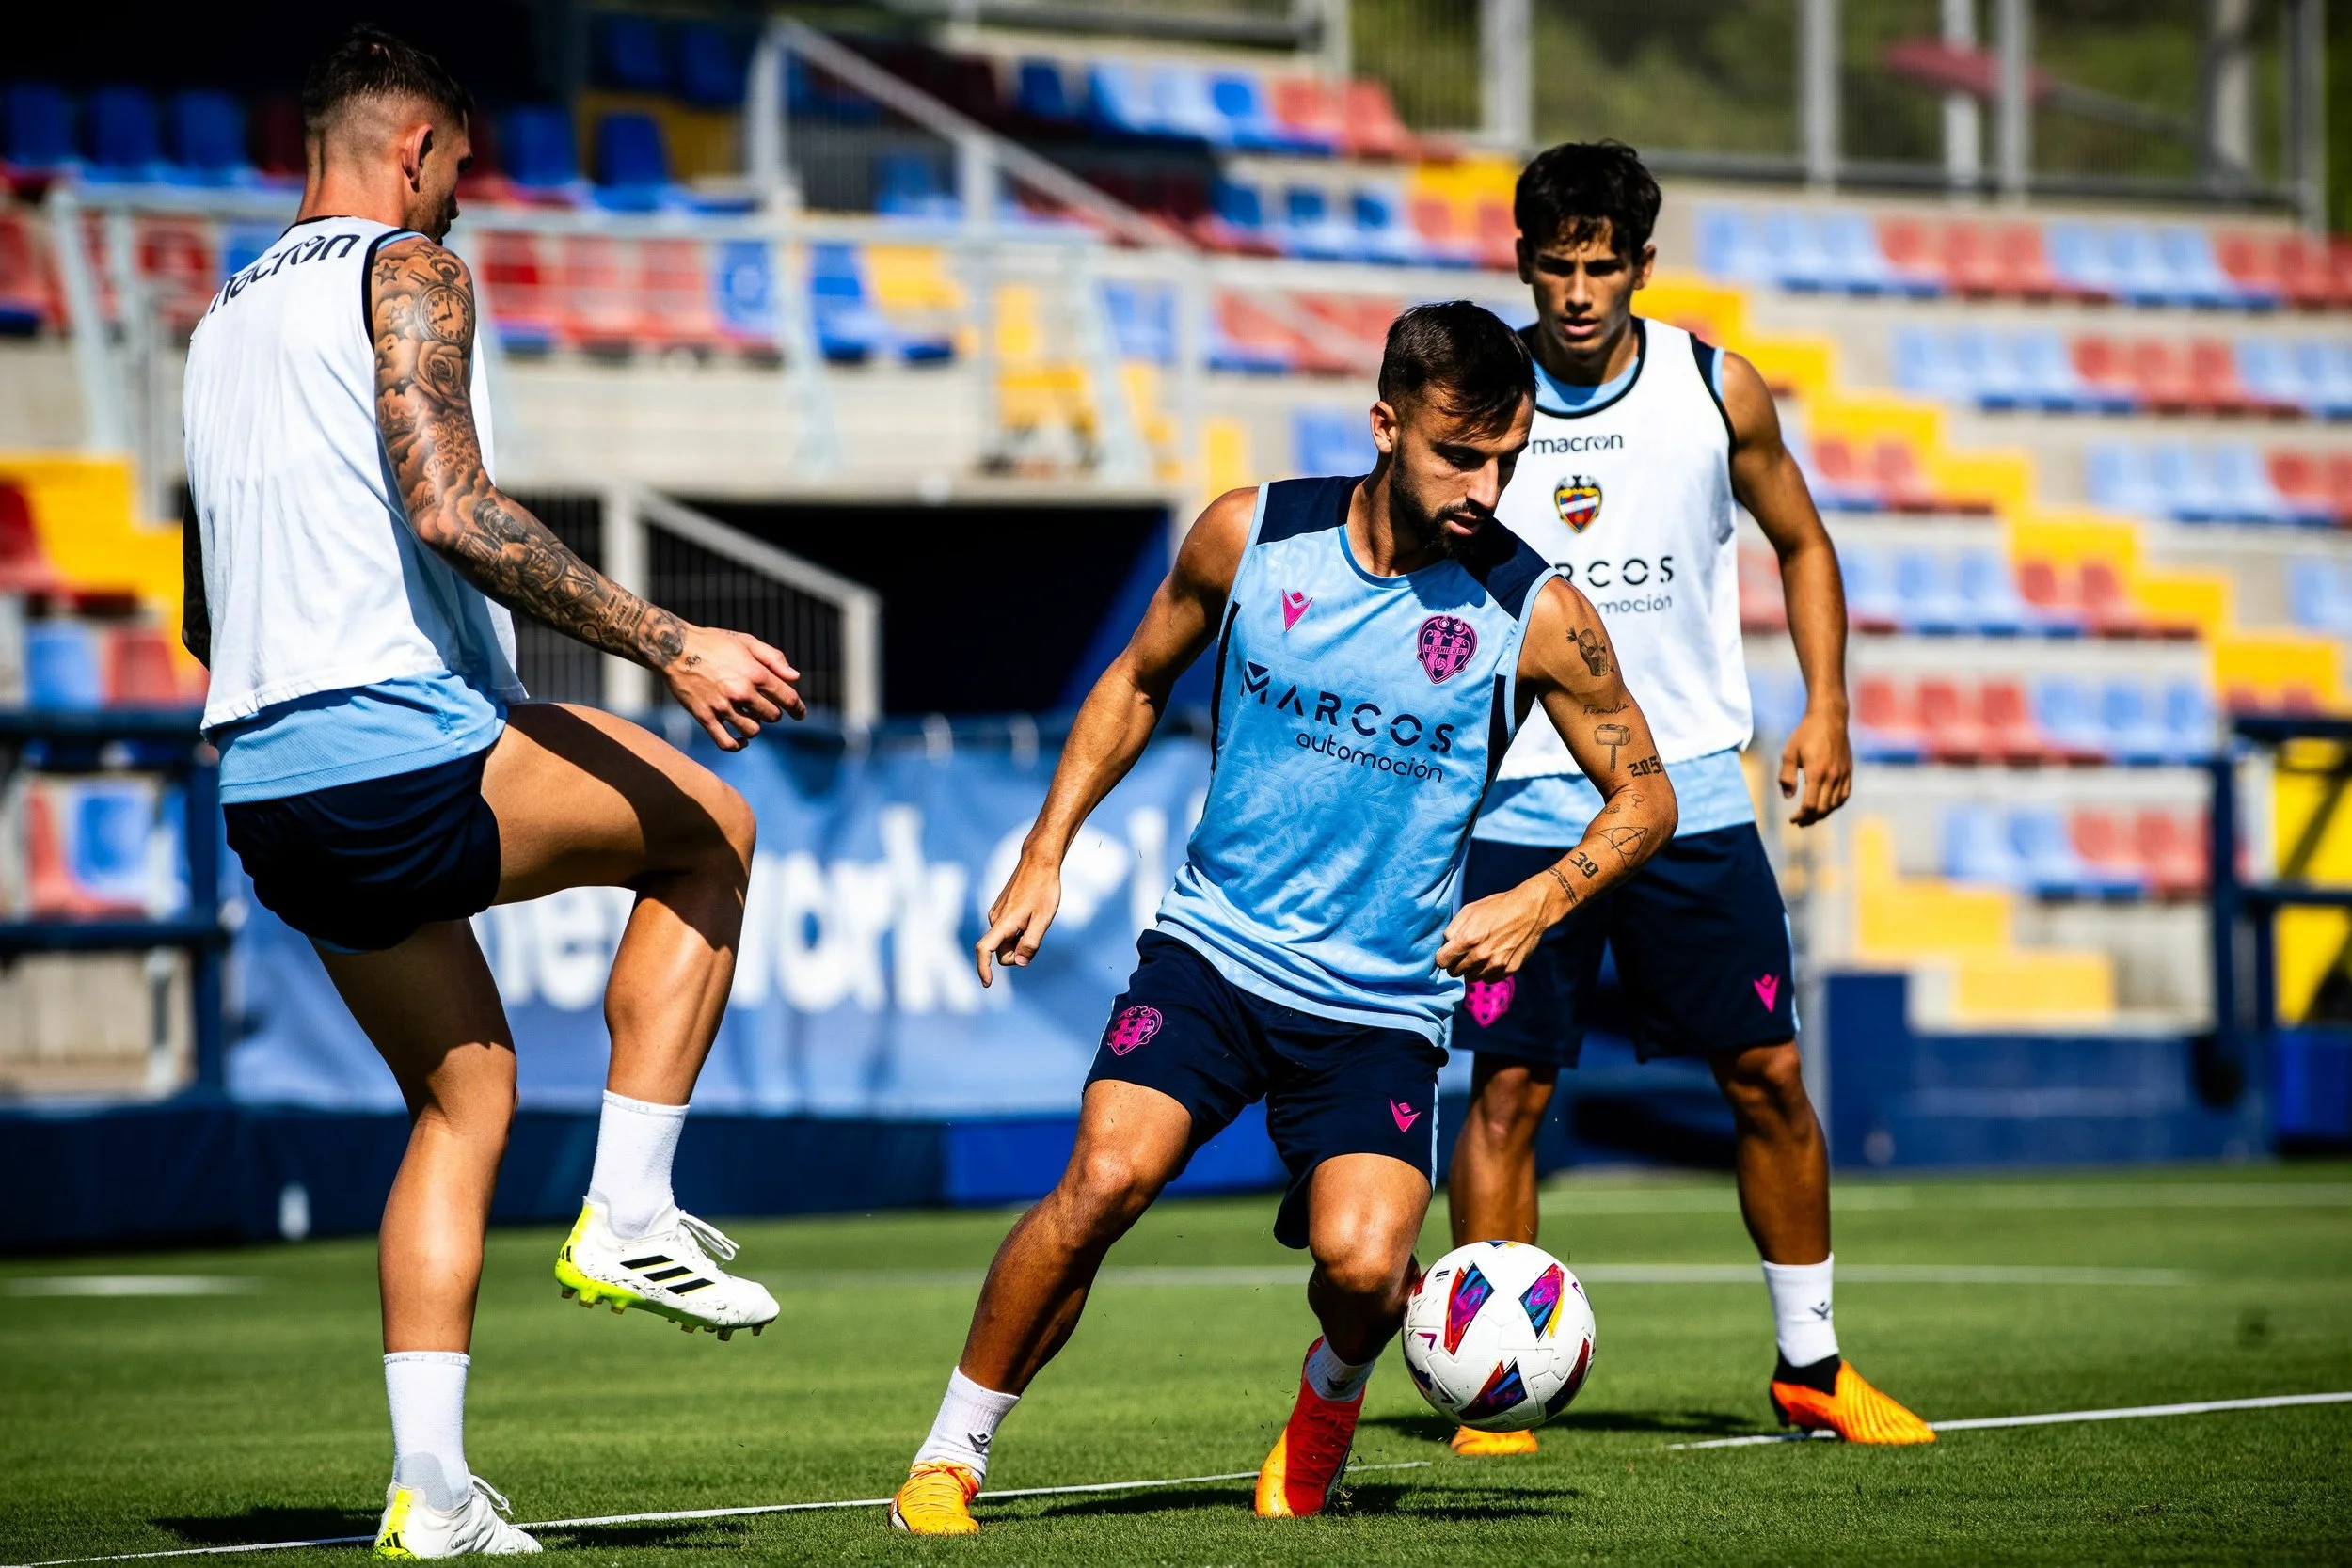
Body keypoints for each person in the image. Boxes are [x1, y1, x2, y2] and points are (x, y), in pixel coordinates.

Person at [885, 302, 1678, 1536]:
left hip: (1381, 1003)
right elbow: (1138, 677)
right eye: (1458, 454)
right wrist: (1044, 851)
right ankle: (951, 1455)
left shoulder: (1539, 611)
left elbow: (1648, 793)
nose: (1486, 484)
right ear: (1384, 424)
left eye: (1508, 459)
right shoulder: (1249, 534)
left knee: (1366, 1268)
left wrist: (1539, 895)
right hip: (1214, 954)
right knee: (1101, 1179)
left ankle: (1329, 1401)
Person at [180, 27, 806, 1557]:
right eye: (458, 168)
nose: (461, 202)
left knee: (462, 1098)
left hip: (266, 785)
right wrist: (672, 642)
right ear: (412, 150)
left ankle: (433, 1490)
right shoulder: (403, 265)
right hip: (405, 741)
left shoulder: (213, 326)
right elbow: (451, 506)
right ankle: (634, 1213)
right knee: (714, 827)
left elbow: (203, 606)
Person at [1441, 140, 1932, 1456]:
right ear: (1524, 265)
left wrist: (1828, 706)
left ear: (1642, 266)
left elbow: (1805, 541)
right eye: (1559, 267)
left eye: (1605, 266)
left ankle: (1812, 1366)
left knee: (1768, 1074)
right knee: (1506, 1091)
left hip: (1697, 798)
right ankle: (1491, 1390)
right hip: (1523, 801)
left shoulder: (1717, 389)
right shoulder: (1481, 400)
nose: (1582, 291)